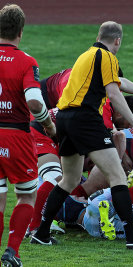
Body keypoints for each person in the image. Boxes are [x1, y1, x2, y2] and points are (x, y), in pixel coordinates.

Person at [31, 21, 133, 249]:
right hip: (85, 119)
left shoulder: (86, 56)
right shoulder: (108, 57)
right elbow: (113, 92)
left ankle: (41, 232)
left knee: (69, 180)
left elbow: (118, 82)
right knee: (117, 177)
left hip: (63, 119)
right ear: (117, 41)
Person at [0, 4, 56, 266]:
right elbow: (34, 102)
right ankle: (12, 252)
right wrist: (48, 124)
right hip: (16, 136)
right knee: (25, 195)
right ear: (20, 32)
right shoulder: (25, 61)